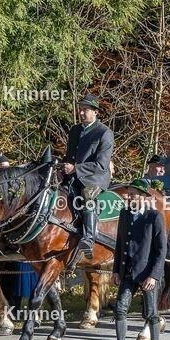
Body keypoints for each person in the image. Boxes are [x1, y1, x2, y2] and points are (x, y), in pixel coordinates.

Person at [106, 179, 166, 340]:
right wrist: (116, 270)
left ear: (143, 197)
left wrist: (154, 276)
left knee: (151, 313)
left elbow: (161, 250)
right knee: (120, 309)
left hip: (147, 274)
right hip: (127, 271)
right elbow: (119, 243)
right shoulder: (124, 214)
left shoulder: (154, 217)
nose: (128, 196)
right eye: (128, 193)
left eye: (132, 194)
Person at [63, 94, 114, 259]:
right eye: (81, 109)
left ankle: (89, 238)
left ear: (95, 112)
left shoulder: (104, 133)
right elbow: (69, 156)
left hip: (95, 177)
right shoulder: (75, 130)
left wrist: (75, 169)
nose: (82, 112)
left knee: (87, 195)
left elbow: (101, 165)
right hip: (72, 174)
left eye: (85, 109)